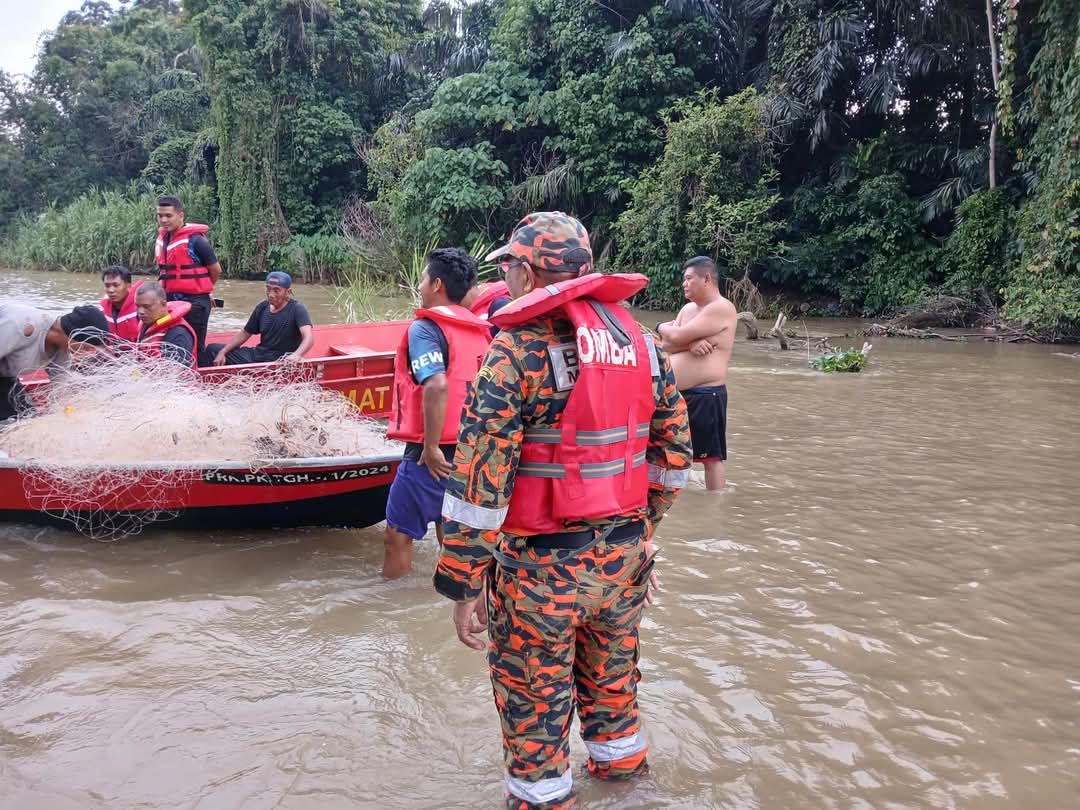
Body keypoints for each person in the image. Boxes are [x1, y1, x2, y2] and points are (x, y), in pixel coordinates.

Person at [433, 212, 692, 810]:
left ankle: (543, 798)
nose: (503, 276)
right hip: (624, 566)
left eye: (506, 266)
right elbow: (675, 458)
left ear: (526, 272)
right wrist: (637, 535)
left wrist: (463, 583)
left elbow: (479, 490)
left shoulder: (513, 355)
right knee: (614, 695)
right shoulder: (642, 346)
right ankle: (627, 783)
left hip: (537, 576)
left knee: (535, 719)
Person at [382, 248, 492, 579]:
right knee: (452, 536)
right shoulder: (481, 332)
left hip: (428, 458)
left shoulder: (425, 330)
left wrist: (429, 447)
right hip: (471, 455)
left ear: (437, 284)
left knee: (397, 537)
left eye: (423, 278)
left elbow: (438, 385)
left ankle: (393, 605)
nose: (419, 285)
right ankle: (452, 599)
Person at [656, 256, 736, 491]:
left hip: (706, 393)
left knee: (711, 457)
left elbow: (674, 337)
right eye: (684, 279)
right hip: (675, 395)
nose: (684, 283)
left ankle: (715, 504)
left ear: (707, 278)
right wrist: (690, 344)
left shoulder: (721, 308)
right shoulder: (688, 309)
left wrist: (663, 327)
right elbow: (666, 345)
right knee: (670, 451)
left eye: (689, 278)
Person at [0, 303, 110, 421]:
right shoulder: (22, 325)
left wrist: (66, 412)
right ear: (70, 335)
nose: (87, 353)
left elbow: (58, 384)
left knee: (27, 418)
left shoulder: (63, 347)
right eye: (86, 348)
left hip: (7, 378)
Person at [155, 195, 221, 360]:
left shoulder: (197, 241)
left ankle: (198, 379)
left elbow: (216, 270)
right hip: (170, 301)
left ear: (181, 216)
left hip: (195, 304)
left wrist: (203, 291)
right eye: (160, 215)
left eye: (168, 215)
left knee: (195, 347)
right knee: (171, 343)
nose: (164, 220)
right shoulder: (163, 239)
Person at [206, 271, 314, 366]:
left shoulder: (297, 309)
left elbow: (308, 338)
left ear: (288, 292)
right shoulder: (263, 306)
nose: (271, 294)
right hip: (259, 355)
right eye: (268, 289)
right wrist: (223, 351)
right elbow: (245, 333)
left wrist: (296, 355)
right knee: (213, 349)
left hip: (280, 360)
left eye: (277, 290)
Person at [135, 282, 197, 368]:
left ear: (163, 304)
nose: (140, 312)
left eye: (147, 306)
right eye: (138, 306)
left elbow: (175, 374)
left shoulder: (179, 333)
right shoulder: (147, 325)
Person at [99, 266, 144, 342]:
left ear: (128, 286)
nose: (111, 290)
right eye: (107, 286)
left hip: (138, 351)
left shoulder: (142, 309)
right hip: (112, 351)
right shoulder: (103, 310)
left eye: (116, 285)